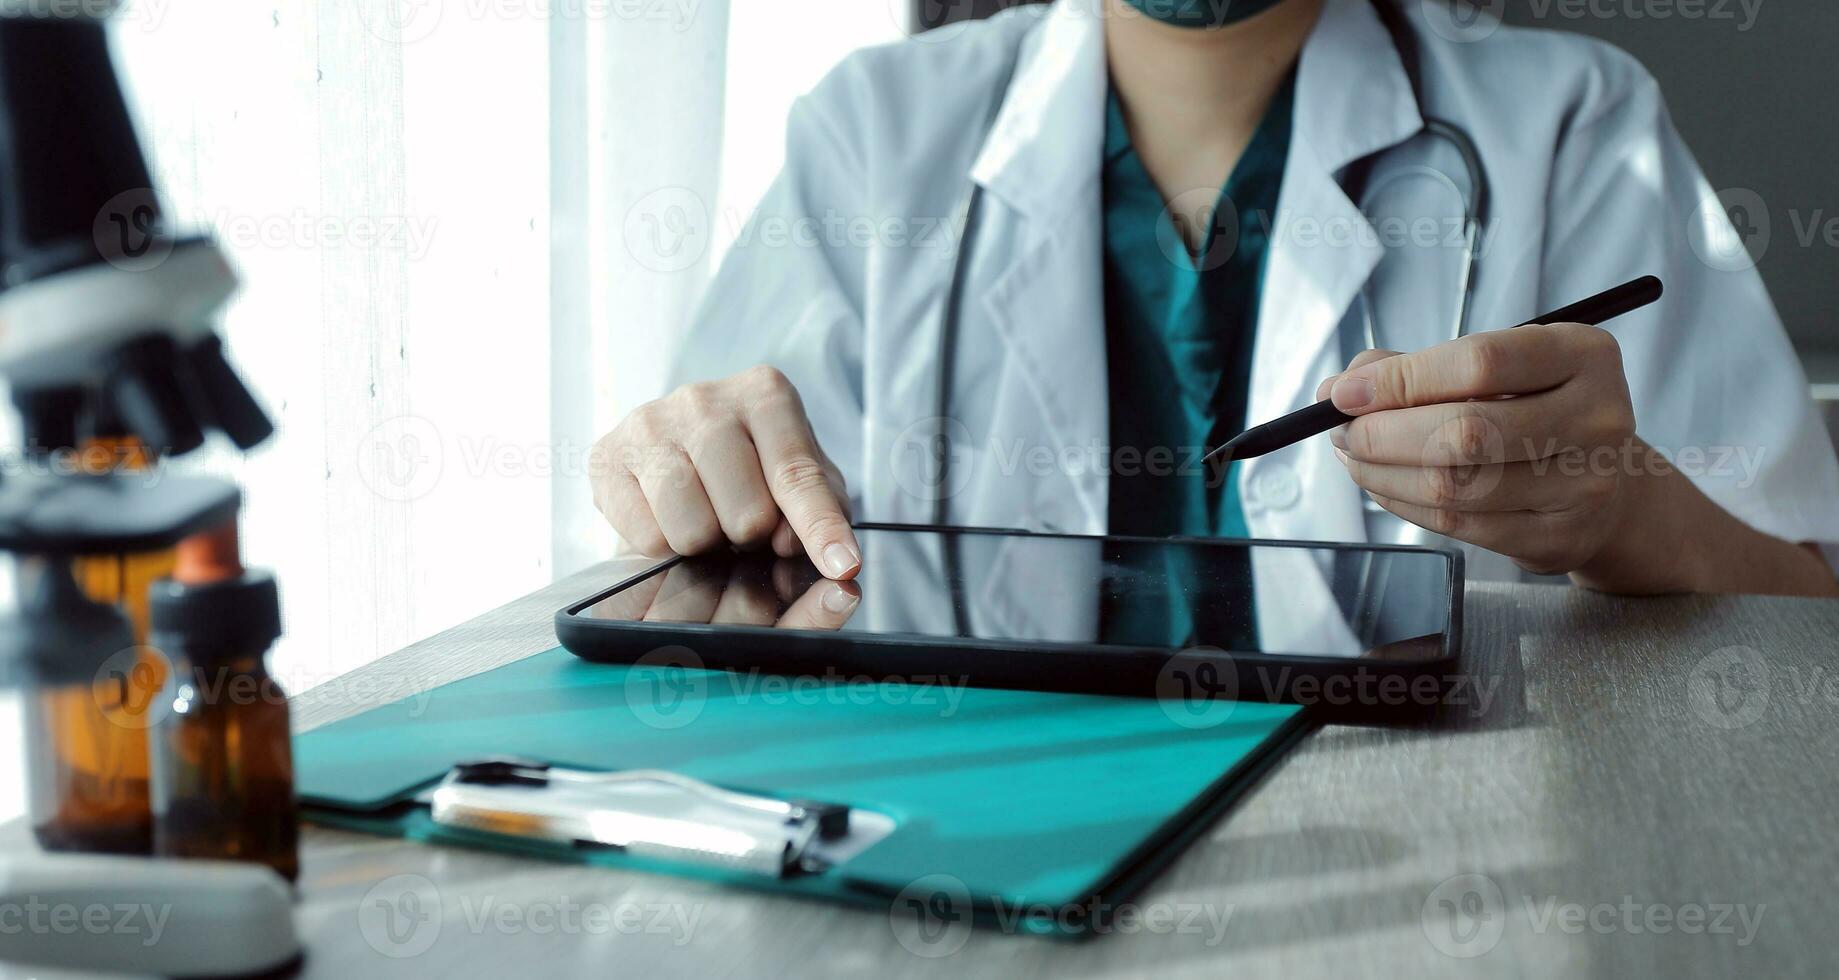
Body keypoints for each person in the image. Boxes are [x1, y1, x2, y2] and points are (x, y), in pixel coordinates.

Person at [588, 0, 1839, 597]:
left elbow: (1806, 607)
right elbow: (720, 545)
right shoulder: (875, 135)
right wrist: (680, 466)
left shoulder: (1570, 124)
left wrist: (1626, 513)